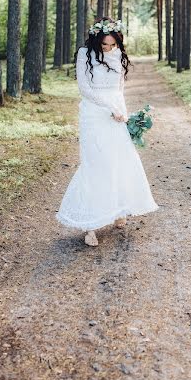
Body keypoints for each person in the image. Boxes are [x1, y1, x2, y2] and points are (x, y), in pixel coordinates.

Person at [56, 17, 159, 246]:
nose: (110, 49)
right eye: (105, 45)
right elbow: (85, 88)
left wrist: (124, 113)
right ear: (96, 40)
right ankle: (90, 225)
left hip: (116, 116)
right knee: (95, 164)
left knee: (118, 162)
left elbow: (119, 88)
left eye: (113, 45)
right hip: (94, 114)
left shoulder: (118, 54)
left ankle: (118, 209)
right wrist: (109, 107)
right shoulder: (85, 54)